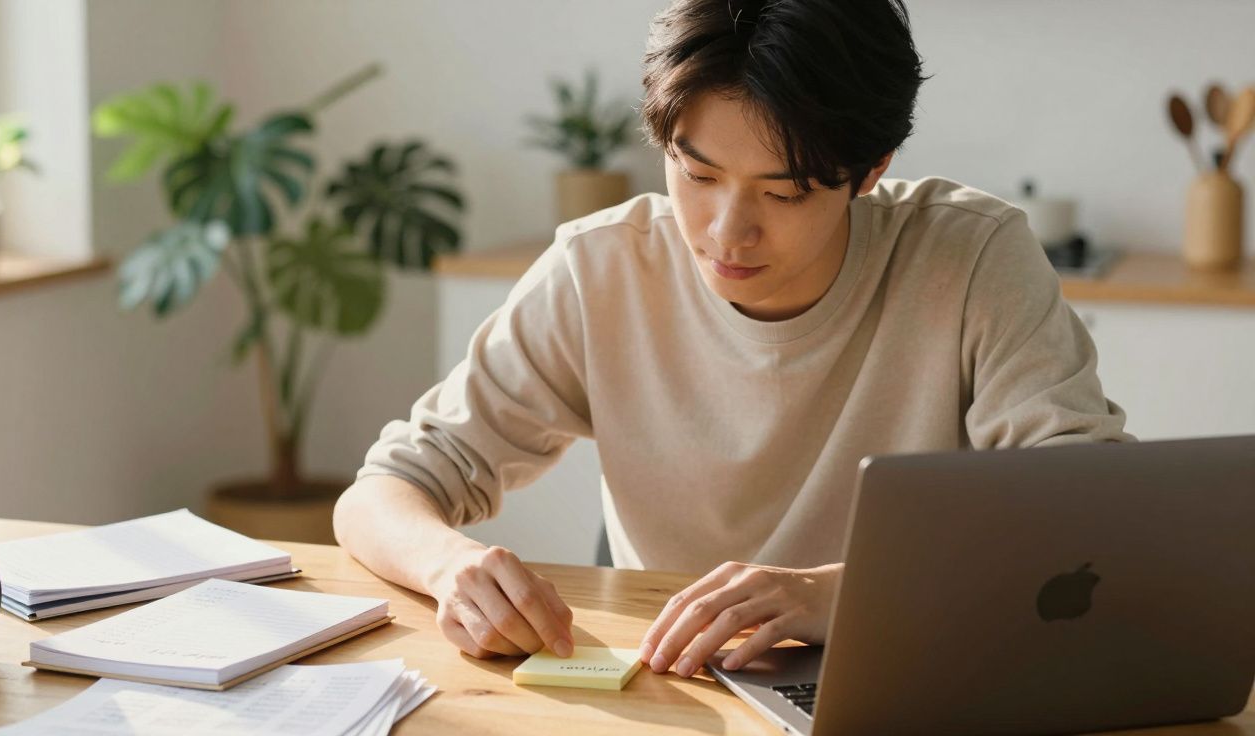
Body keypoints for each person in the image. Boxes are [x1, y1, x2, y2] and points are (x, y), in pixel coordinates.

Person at [333, 0, 1131, 680]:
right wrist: (450, 567)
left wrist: (833, 595)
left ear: (870, 169)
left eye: (782, 192)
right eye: (697, 173)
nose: (726, 233)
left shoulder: (969, 258)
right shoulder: (600, 270)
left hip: (917, 666)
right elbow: (381, 493)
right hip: (680, 684)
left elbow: (1087, 518)